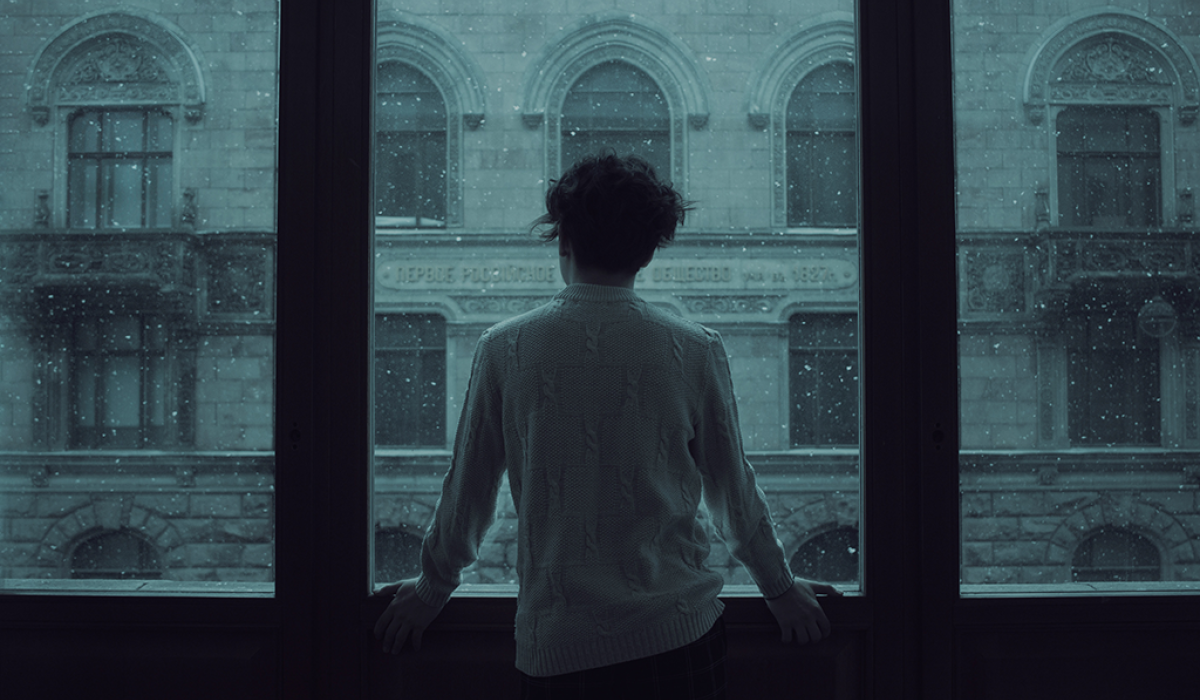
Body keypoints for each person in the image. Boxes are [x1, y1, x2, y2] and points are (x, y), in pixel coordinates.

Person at [374, 152, 839, 698]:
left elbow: (469, 488)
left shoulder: (505, 348)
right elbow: (732, 491)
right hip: (678, 636)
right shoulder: (694, 348)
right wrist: (778, 587)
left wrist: (433, 587)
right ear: (648, 252)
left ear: (562, 238)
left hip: (556, 648)